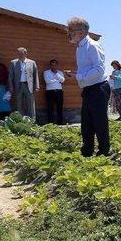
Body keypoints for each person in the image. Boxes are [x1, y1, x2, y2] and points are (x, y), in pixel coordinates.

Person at [67, 17, 110, 157]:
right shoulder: (80, 47)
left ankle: (103, 152)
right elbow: (89, 69)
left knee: (99, 122)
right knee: (86, 123)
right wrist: (77, 74)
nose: (68, 33)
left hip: (98, 88)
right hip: (89, 89)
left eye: (70, 30)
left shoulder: (92, 46)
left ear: (81, 32)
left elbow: (99, 70)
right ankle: (87, 151)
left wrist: (78, 76)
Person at [8, 47, 39, 120]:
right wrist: (11, 86)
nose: (20, 55)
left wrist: (37, 86)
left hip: (29, 85)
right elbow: (10, 75)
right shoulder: (13, 62)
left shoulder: (32, 62)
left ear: (25, 53)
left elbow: (35, 74)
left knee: (30, 103)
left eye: (22, 54)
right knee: (19, 103)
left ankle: (32, 120)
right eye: (18, 54)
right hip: (18, 85)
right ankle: (20, 120)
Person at [43, 59, 65, 125]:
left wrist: (56, 74)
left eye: (55, 65)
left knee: (59, 108)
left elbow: (63, 80)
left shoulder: (60, 72)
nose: (54, 67)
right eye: (52, 65)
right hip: (50, 92)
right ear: (50, 65)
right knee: (50, 108)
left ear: (57, 65)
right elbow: (47, 81)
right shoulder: (46, 72)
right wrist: (57, 80)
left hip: (59, 91)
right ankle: (50, 124)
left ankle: (60, 123)